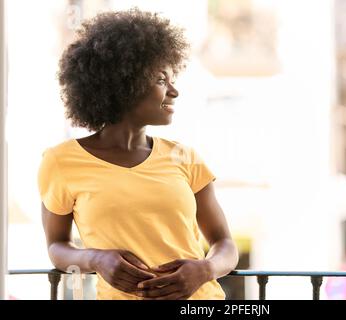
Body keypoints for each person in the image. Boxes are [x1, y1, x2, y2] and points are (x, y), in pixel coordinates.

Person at [37, 8, 239, 300]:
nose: (174, 92)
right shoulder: (61, 162)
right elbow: (56, 246)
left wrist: (204, 270)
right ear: (123, 84)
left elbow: (225, 244)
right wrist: (96, 259)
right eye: (161, 80)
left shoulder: (186, 158)